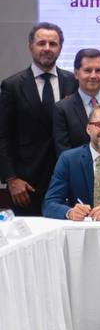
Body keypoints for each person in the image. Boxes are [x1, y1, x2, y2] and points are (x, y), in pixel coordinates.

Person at [0, 23, 76, 215]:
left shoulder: (73, 82)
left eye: (53, 44)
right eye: (42, 43)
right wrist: (11, 178)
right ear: (30, 47)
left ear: (60, 48)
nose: (47, 48)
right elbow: (3, 136)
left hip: (67, 180)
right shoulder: (12, 86)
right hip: (26, 185)